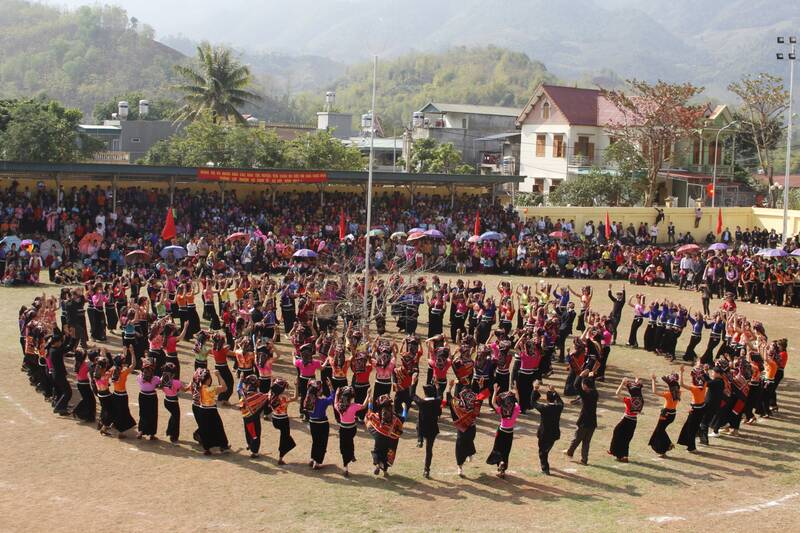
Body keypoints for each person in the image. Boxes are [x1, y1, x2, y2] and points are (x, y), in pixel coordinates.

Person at [190, 367, 230, 455]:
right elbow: (224, 388)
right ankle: (223, 445)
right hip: (211, 410)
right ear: (207, 379)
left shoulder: (196, 386)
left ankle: (207, 449)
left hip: (201, 410)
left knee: (205, 429)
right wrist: (218, 375)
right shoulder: (209, 389)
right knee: (218, 427)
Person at [564, 369, 598, 465]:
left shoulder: (585, 395)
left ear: (585, 386)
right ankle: (584, 459)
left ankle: (570, 452)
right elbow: (591, 385)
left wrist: (581, 375)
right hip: (592, 422)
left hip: (584, 421)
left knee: (577, 438)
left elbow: (576, 385)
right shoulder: (595, 393)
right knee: (586, 442)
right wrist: (591, 377)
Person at [486, 384, 520, 479]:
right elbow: (517, 401)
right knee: (506, 451)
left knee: (497, 448)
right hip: (510, 432)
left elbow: (493, 403)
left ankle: (500, 462)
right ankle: (503, 469)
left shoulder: (501, 409)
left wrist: (495, 391)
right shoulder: (516, 409)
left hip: (501, 431)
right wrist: (516, 391)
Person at [366, 394, 404, 477]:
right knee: (386, 453)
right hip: (390, 439)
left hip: (379, 436)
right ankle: (385, 471)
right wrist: (404, 409)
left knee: (377, 451)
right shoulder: (395, 418)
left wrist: (370, 402)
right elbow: (402, 423)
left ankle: (377, 465)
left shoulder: (377, 416)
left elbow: (369, 415)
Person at [531, 382, 564, 475]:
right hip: (554, 434)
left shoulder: (544, 408)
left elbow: (533, 402)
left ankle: (545, 469)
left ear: (547, 399)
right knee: (546, 449)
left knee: (542, 452)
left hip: (544, 434)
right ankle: (545, 463)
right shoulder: (558, 407)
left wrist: (535, 389)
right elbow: (561, 402)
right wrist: (554, 391)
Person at [608, 377, 643, 462]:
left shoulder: (629, 400)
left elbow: (617, 393)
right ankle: (624, 456)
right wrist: (636, 382)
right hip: (634, 421)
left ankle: (614, 451)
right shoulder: (641, 400)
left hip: (626, 420)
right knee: (627, 438)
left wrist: (622, 384)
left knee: (617, 432)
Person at [334, 385, 367, 477]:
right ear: (351, 398)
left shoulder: (339, 406)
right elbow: (364, 406)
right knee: (350, 441)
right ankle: (351, 454)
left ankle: (346, 467)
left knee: (344, 447)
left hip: (343, 429)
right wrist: (368, 395)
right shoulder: (354, 406)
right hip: (352, 429)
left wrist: (336, 394)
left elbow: (335, 403)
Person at [412, 378, 442, 478]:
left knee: (418, 423)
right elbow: (440, 396)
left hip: (422, 428)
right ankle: (426, 470)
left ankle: (420, 439)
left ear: (425, 393)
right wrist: (437, 386)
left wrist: (413, 383)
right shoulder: (437, 402)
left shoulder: (421, 402)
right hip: (432, 429)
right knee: (429, 450)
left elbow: (412, 395)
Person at [304, 378, 335, 469]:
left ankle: (312, 459)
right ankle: (317, 463)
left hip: (312, 423)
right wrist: (331, 387)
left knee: (315, 442)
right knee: (322, 443)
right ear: (318, 391)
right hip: (322, 424)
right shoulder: (322, 401)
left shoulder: (307, 401)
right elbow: (332, 398)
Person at [648, 373, 680, 457]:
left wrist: (653, 380)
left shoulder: (668, 394)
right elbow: (674, 386)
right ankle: (666, 446)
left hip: (665, 414)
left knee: (659, 431)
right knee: (661, 430)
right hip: (672, 415)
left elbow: (654, 391)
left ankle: (665, 448)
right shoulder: (678, 393)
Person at [239, 374, 271, 458]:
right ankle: (255, 451)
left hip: (245, 416)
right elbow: (268, 397)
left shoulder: (243, 393)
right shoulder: (258, 395)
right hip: (254, 418)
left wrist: (241, 380)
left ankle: (249, 444)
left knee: (248, 431)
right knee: (255, 433)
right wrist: (272, 386)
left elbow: (238, 388)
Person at [268, 377, 298, 464]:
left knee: (285, 438)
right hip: (283, 420)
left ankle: (282, 455)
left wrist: (272, 382)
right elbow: (295, 398)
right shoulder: (285, 397)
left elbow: (271, 389)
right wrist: (296, 386)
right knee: (284, 438)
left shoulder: (271, 394)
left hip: (274, 419)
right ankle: (280, 458)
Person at [159, 362, 185, 443]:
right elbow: (185, 390)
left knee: (173, 416)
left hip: (166, 401)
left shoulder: (162, 380)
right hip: (173, 402)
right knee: (176, 418)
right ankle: (173, 436)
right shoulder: (176, 382)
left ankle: (169, 431)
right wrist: (191, 385)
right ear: (173, 374)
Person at [136, 358, 161, 440]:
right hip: (152, 397)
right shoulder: (156, 379)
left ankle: (141, 431)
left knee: (142, 414)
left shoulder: (139, 377)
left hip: (142, 396)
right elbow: (160, 384)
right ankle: (152, 434)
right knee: (153, 415)